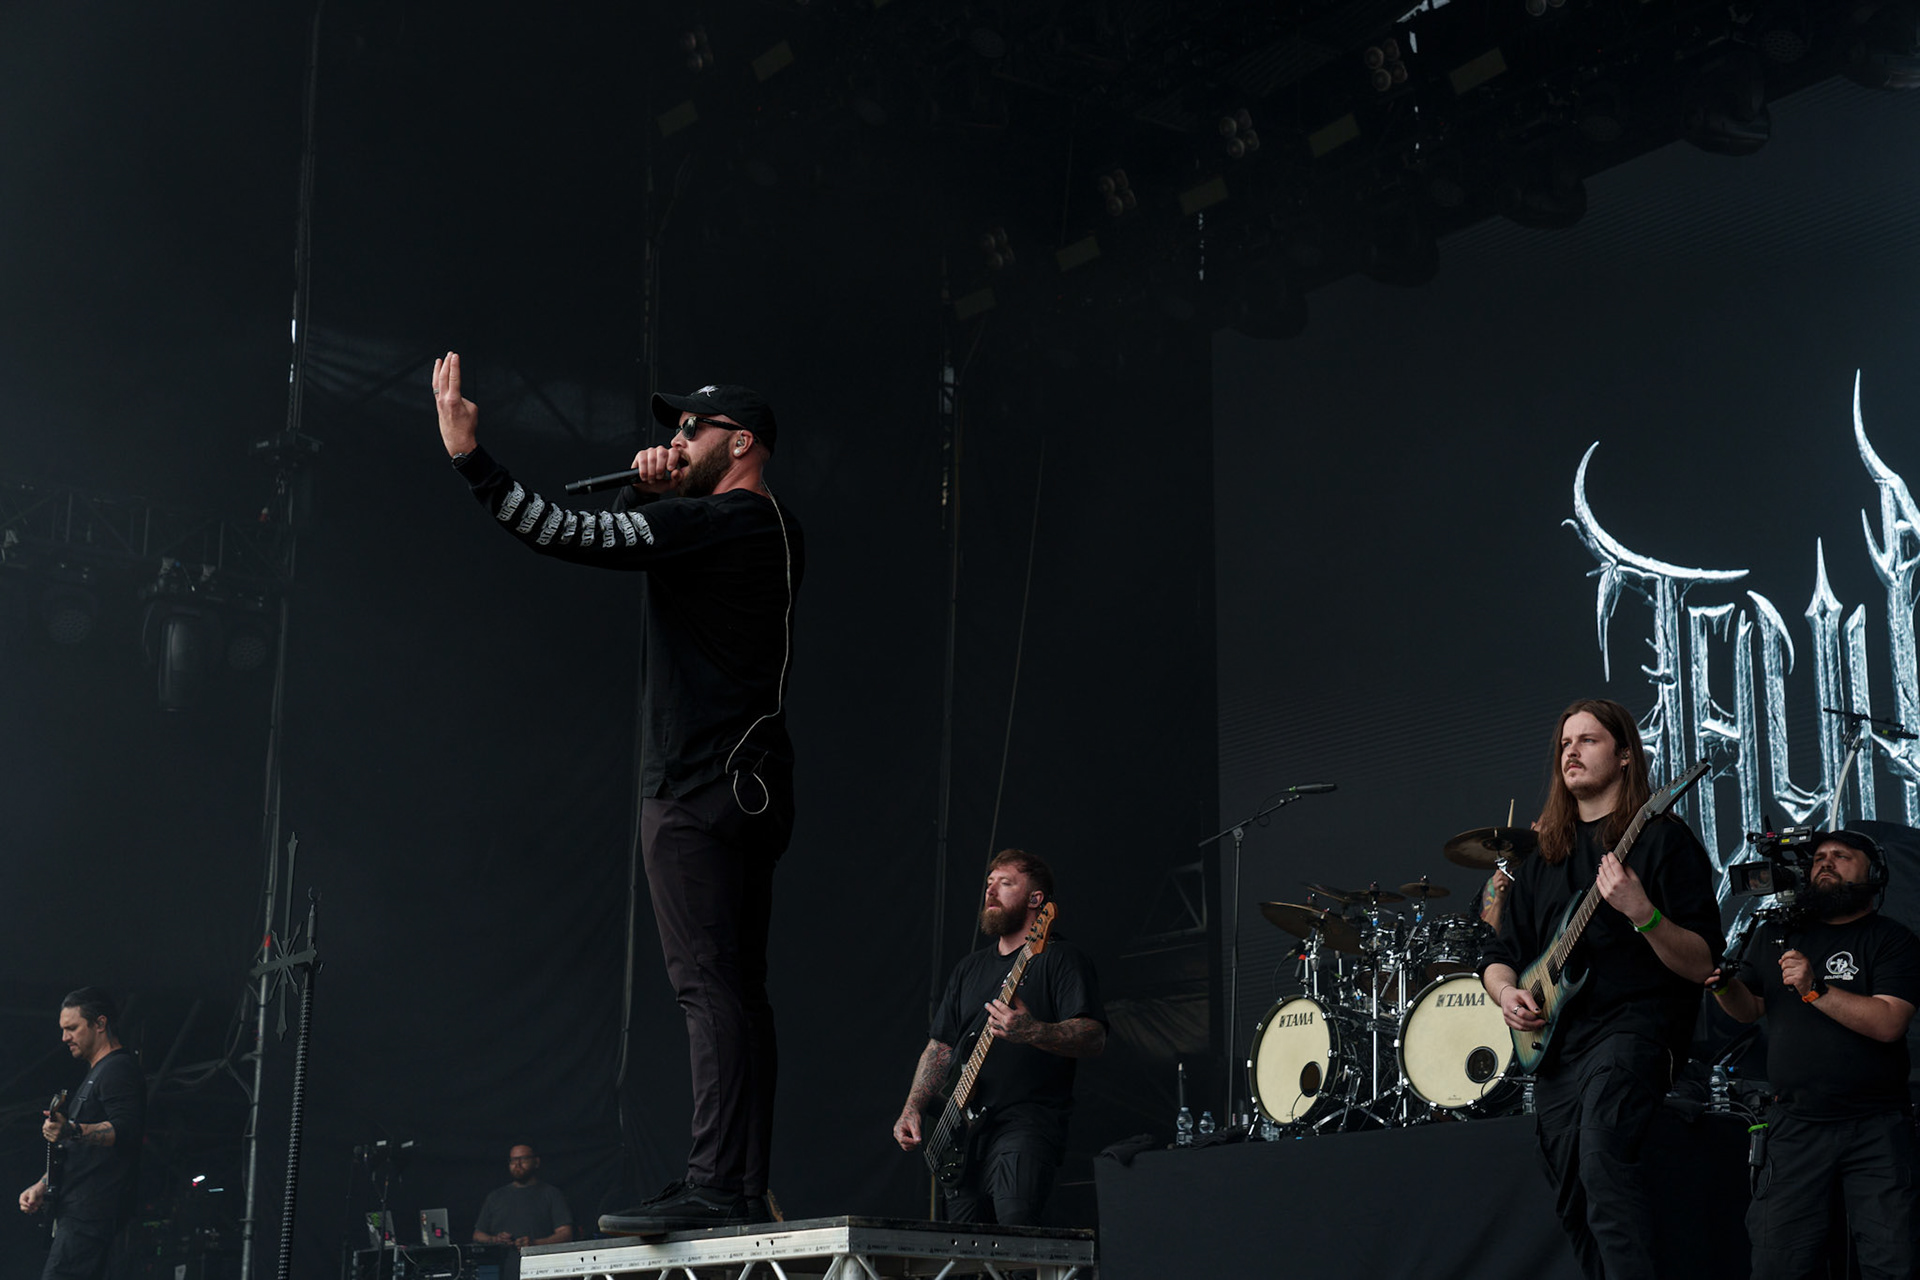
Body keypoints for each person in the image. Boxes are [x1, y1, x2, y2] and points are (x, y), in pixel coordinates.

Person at [433, 355, 803, 1231]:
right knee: (740, 992)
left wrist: (471, 459)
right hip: (751, 786)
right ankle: (739, 1182)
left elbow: (563, 531)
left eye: (693, 428)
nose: (677, 439)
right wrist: (649, 492)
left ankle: (715, 1183)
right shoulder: (768, 527)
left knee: (706, 986)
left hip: (694, 789)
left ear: (741, 443)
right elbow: (656, 545)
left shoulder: (718, 522)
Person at [1479, 699, 1722, 1280]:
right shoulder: (1544, 858)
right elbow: (1498, 956)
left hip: (1635, 1029)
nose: (1571, 752)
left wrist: (1643, 913)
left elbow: (1704, 963)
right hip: (1559, 1047)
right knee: (1573, 1199)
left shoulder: (1661, 840)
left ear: (1625, 755)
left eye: (1587, 740)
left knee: (1602, 1160)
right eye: (1565, 743)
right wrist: (1507, 993)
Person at [1705, 829, 1919, 1280]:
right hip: (1794, 1126)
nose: (1826, 863)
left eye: (1842, 856)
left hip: (1876, 1127)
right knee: (1779, 1262)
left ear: (1875, 872)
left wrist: (1815, 988)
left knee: (1892, 1261)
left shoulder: (1891, 939)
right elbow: (1750, 1009)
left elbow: (1889, 1022)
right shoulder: (1777, 935)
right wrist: (1724, 986)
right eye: (1819, 857)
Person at [893, 850, 1107, 1226]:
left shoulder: (1061, 958)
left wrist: (1033, 1031)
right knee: (961, 1247)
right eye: (989, 883)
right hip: (960, 1133)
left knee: (1015, 1229)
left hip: (1025, 1122)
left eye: (1005, 883)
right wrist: (913, 1107)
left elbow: (1094, 1036)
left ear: (1036, 899)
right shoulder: (968, 968)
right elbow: (940, 1047)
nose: (990, 891)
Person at [16, 988, 146, 1280]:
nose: (65, 1038)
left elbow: (126, 1129)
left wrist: (71, 1129)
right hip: (79, 1213)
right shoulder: (97, 1072)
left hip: (92, 1215)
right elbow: (78, 1150)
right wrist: (42, 1185)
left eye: (72, 1028)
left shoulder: (118, 1069)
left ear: (100, 1023)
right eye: (63, 1029)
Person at [473, 1144, 574, 1247]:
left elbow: (565, 1234)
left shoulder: (551, 1194)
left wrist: (535, 1244)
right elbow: (478, 1235)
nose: (517, 1164)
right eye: (513, 1160)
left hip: (539, 1257)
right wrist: (495, 1239)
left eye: (523, 1159)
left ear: (536, 1162)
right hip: (503, 1257)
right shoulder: (495, 1197)